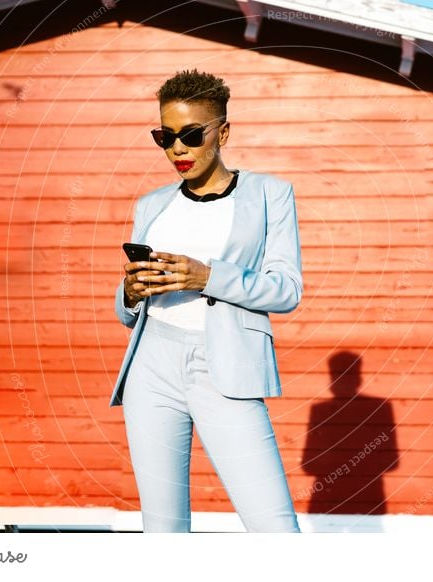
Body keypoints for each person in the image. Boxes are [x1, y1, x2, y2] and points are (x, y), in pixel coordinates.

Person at [110, 69, 303, 533]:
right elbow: (127, 310)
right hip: (151, 367)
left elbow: (286, 289)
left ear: (223, 131)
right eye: (165, 136)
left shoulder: (270, 194)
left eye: (192, 135)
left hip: (225, 368)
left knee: (275, 530)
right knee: (163, 532)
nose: (178, 149)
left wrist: (208, 277)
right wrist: (131, 293)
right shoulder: (152, 205)